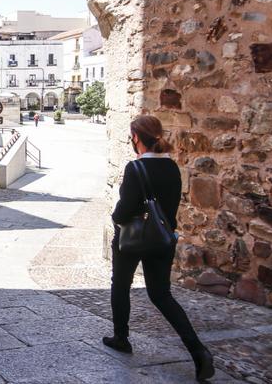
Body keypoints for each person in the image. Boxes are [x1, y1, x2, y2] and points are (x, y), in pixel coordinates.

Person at [105, 115, 214, 381]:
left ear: (136, 138)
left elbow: (124, 211)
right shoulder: (172, 167)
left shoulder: (135, 168)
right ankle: (198, 351)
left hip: (132, 239)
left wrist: (116, 217)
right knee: (161, 295)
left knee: (121, 285)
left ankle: (121, 337)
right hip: (161, 239)